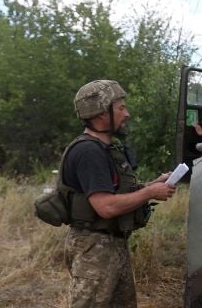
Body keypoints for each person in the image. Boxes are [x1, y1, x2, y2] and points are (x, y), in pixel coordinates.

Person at [63, 79, 176, 308]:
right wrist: (149, 193)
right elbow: (106, 207)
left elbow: (116, 193)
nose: (127, 114)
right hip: (94, 250)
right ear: (101, 113)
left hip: (112, 246)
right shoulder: (88, 152)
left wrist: (152, 185)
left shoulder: (107, 149)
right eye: (121, 108)